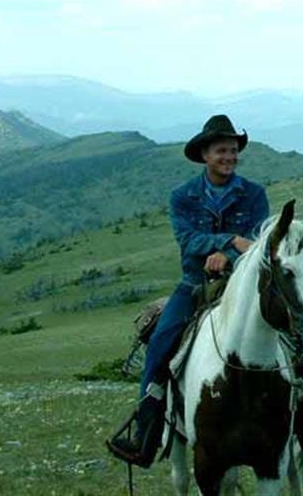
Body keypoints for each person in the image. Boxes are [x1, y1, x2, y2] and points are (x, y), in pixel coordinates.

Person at [107, 114, 269, 467]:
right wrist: (228, 241)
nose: (229, 157)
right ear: (205, 155)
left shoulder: (255, 194)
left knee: (292, 333)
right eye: (221, 151)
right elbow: (187, 239)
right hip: (194, 284)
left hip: (241, 284)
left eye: (233, 150)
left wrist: (225, 255)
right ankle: (146, 431)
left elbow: (257, 243)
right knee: (161, 344)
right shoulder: (182, 197)